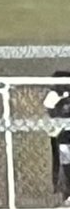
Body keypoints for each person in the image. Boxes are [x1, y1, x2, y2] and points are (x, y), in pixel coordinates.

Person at [42, 72, 70, 201]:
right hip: (63, 134)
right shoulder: (55, 94)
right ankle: (66, 193)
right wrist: (62, 97)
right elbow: (49, 106)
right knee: (65, 164)